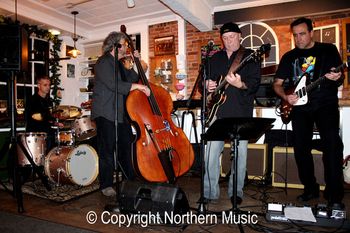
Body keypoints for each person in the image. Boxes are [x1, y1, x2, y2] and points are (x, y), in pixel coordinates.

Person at [273, 17, 344, 208]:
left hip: (325, 104)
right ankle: (310, 189)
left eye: (302, 34)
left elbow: (338, 77)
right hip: (300, 108)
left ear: (312, 32)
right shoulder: (289, 57)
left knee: (332, 146)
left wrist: (337, 76)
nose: (299, 38)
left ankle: (334, 194)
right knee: (301, 149)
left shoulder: (328, 50)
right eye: (295, 35)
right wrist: (286, 97)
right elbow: (277, 84)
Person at [204, 22, 261, 206]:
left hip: (240, 112)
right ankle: (210, 192)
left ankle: (235, 192)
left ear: (239, 36)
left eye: (232, 37)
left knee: (240, 156)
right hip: (217, 113)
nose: (228, 41)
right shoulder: (215, 58)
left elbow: (254, 83)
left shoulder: (250, 56)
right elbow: (205, 81)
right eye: (225, 38)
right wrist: (205, 85)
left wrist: (240, 84)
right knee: (210, 155)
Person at [91, 31, 150, 197]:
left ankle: (129, 180)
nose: (126, 47)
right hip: (105, 112)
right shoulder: (103, 62)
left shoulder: (119, 64)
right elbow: (113, 84)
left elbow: (132, 79)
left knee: (126, 146)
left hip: (119, 113)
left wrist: (137, 62)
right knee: (107, 150)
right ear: (115, 45)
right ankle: (106, 185)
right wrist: (138, 87)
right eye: (124, 44)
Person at [25, 76, 57, 152]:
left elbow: (49, 117)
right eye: (45, 85)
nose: (48, 87)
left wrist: (55, 123)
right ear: (38, 86)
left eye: (49, 85)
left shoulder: (49, 101)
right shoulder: (32, 100)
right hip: (35, 134)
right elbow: (30, 118)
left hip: (47, 132)